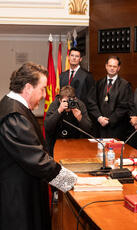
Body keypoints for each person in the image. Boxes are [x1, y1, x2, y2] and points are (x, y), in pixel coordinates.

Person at [0, 62, 78, 230]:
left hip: (22, 187)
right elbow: (36, 159)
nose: (44, 95)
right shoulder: (14, 115)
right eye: (42, 89)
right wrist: (72, 180)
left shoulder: (15, 107)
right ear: (28, 87)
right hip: (17, 196)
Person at [89, 56, 134, 140]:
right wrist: (99, 118)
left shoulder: (125, 85)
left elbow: (124, 107)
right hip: (99, 127)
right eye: (110, 66)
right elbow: (92, 102)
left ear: (118, 68)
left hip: (116, 128)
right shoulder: (99, 83)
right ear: (106, 66)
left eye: (114, 66)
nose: (112, 68)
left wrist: (109, 121)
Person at [44, 85, 92, 156]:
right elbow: (47, 126)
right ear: (60, 100)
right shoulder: (54, 105)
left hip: (76, 143)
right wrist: (59, 111)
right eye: (64, 101)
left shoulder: (80, 105)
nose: (67, 104)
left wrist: (80, 117)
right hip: (56, 142)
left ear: (75, 99)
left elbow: (89, 128)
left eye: (70, 101)